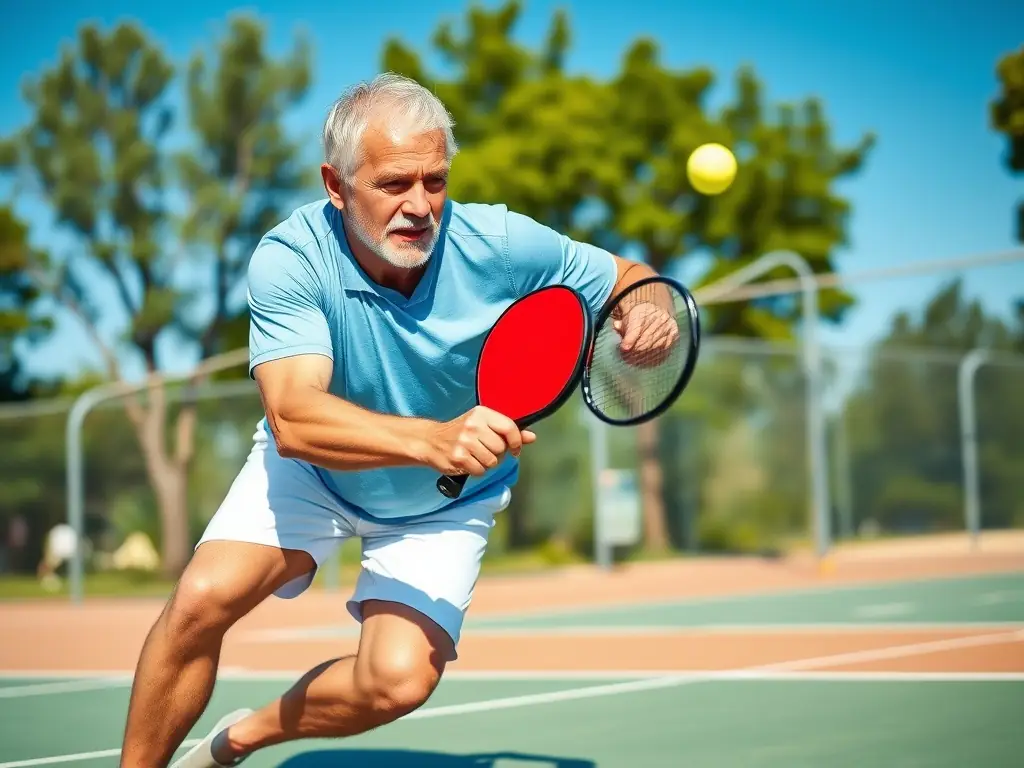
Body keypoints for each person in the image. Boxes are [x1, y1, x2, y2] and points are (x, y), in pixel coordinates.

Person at [118, 72, 673, 768]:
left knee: (398, 680)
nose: (420, 205)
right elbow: (293, 418)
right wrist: (435, 439)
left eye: (435, 181)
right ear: (336, 184)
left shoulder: (498, 243)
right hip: (316, 470)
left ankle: (243, 736)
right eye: (394, 184)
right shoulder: (291, 259)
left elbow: (626, 275)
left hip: (446, 501)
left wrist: (645, 308)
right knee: (202, 598)